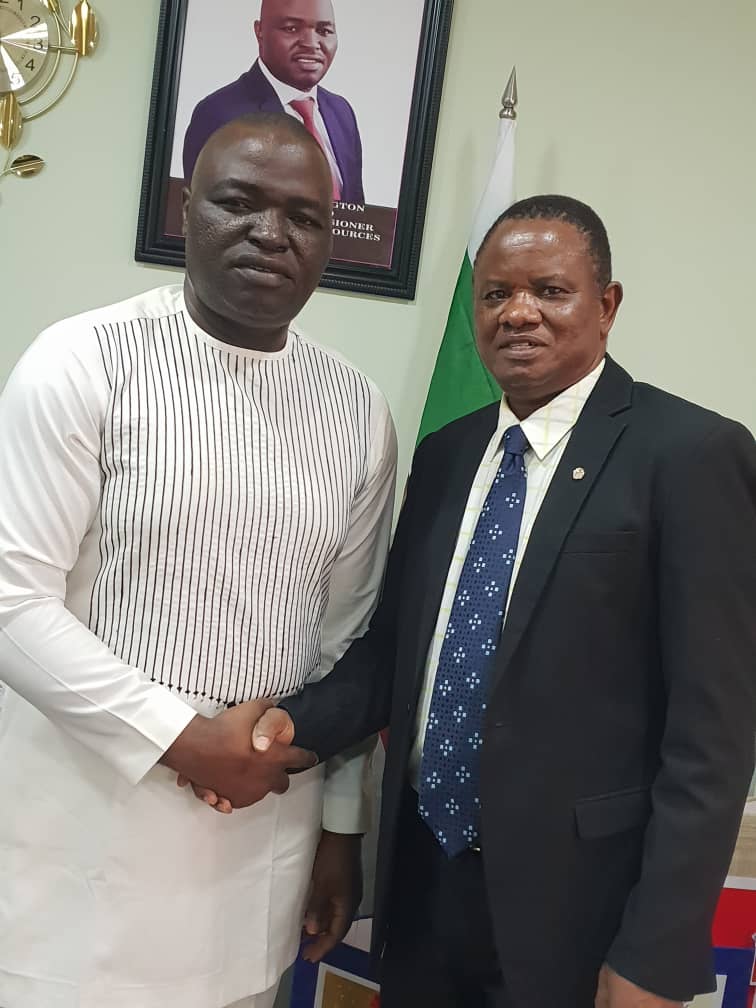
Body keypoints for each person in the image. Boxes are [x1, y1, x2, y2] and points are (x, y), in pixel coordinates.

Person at [243, 195, 756, 1007]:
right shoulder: (447, 454)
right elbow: (396, 655)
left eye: (550, 290)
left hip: (580, 912)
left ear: (607, 305)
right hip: (424, 884)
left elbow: (714, 736)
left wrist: (656, 953)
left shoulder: (691, 454)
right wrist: (286, 728)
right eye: (496, 294)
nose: (518, 313)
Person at [0, 113, 396, 1008]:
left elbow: (346, 639)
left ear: (329, 241)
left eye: (302, 217)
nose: (270, 233)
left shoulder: (358, 409)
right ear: (185, 210)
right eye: (238, 203)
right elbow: (11, 601)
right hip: (79, 845)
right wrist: (181, 739)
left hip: (258, 849)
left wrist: (340, 831)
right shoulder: (82, 361)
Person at [183, 0, 364, 202]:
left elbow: (358, 212)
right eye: (292, 28)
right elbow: (203, 213)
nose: (311, 43)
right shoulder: (218, 114)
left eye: (324, 31)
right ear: (259, 31)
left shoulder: (342, 113)